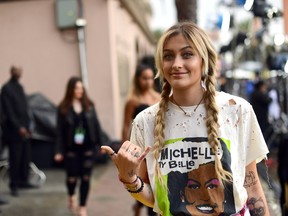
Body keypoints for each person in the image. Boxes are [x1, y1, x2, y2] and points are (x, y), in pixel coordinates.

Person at [102, 21, 270, 215]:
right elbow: (154, 199)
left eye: (187, 54)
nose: (176, 64)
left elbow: (251, 184)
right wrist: (129, 178)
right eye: (168, 56)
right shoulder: (145, 121)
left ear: (203, 59)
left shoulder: (237, 111)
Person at [54, 77, 103, 216]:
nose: (79, 91)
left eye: (81, 88)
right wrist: (58, 150)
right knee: (72, 178)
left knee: (86, 178)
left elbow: (96, 126)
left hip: (88, 147)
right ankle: (71, 196)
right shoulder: (63, 108)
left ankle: (82, 206)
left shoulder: (89, 105)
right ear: (71, 90)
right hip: (71, 149)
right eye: (77, 88)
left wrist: (101, 144)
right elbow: (59, 131)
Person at [122, 64, 160, 216]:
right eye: (145, 78)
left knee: (156, 182)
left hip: (158, 146)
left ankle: (138, 206)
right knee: (145, 182)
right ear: (138, 79)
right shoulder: (133, 101)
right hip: (141, 150)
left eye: (151, 78)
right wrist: (125, 152)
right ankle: (140, 206)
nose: (148, 81)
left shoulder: (158, 97)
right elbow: (126, 127)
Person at [1, 66, 31, 197]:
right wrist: (19, 127)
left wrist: (27, 126)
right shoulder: (7, 89)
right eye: (16, 70)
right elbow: (8, 111)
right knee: (15, 158)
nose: (19, 73)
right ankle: (14, 184)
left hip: (24, 130)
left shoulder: (20, 87)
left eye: (20, 70)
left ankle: (22, 181)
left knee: (25, 157)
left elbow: (24, 108)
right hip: (13, 131)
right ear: (12, 72)